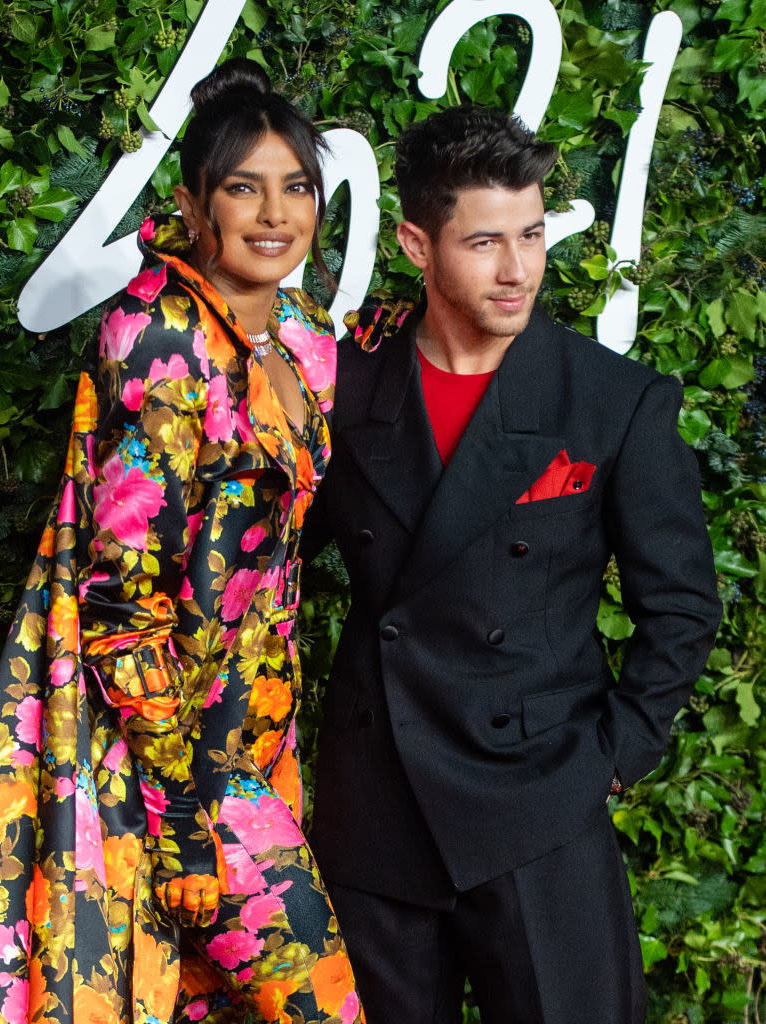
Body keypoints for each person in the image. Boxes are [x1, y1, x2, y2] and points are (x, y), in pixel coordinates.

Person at [0, 59, 364, 1024]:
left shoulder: (301, 335)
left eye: (296, 186)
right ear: (194, 202)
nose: (274, 212)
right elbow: (121, 600)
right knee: (319, 1005)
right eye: (243, 186)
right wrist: (181, 822)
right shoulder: (161, 337)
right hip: (160, 752)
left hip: (252, 728)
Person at [304, 105, 721, 1023]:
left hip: (540, 801)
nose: (518, 269)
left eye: (531, 234)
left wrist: (613, 757)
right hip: (375, 807)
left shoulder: (611, 399)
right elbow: (264, 560)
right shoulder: (341, 385)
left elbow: (682, 603)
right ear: (416, 243)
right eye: (485, 241)